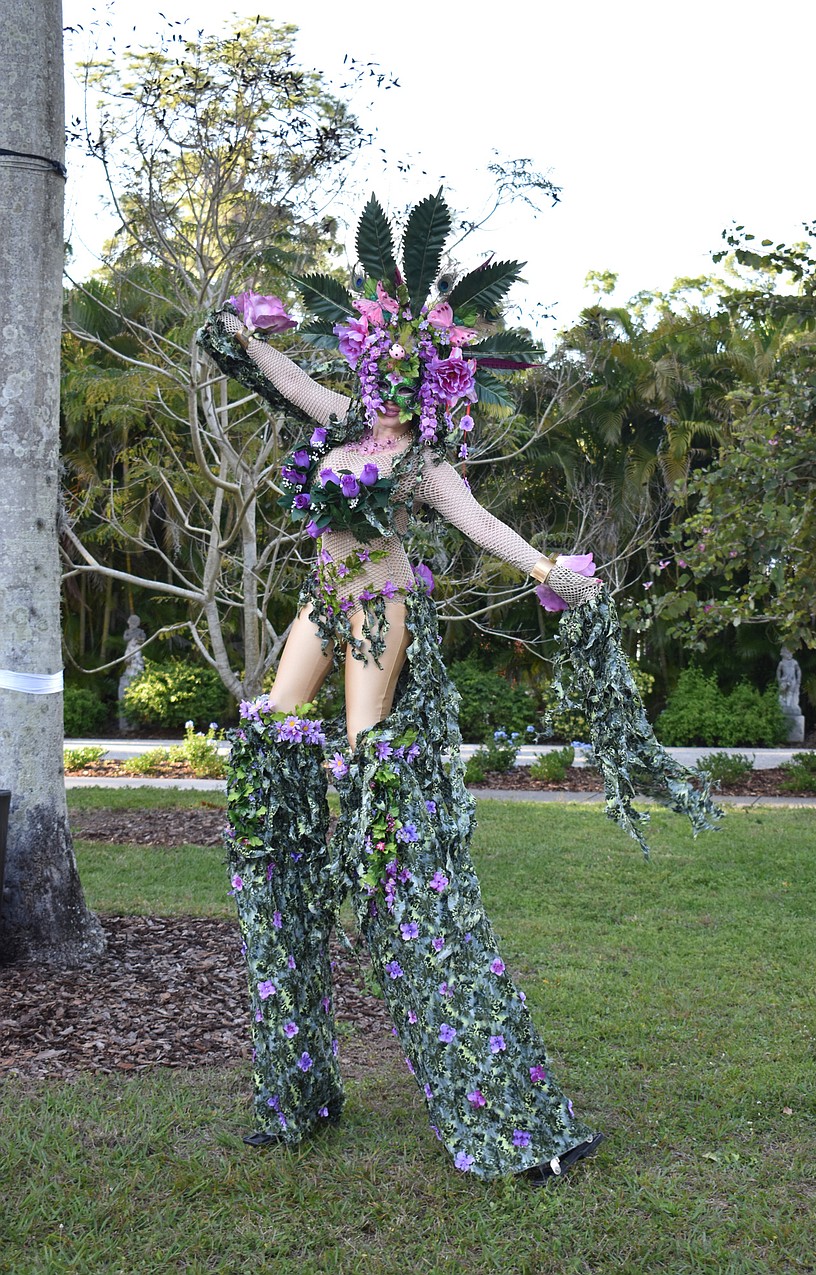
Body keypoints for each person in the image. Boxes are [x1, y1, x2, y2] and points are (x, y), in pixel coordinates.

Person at [199, 190, 718, 1184]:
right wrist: (237, 328)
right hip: (320, 601)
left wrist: (547, 572)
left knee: (363, 768)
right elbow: (276, 373)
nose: (384, 378)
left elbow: (484, 529)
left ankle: (378, 875)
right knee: (270, 722)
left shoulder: (423, 459)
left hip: (381, 608)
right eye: (375, 363)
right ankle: (296, 1029)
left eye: (402, 368)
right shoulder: (340, 419)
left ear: (430, 379)